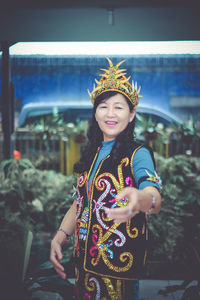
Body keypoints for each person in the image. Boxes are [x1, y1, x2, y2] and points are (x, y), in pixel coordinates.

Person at [50, 57, 162, 300]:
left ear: (132, 114)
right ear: (95, 113)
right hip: (82, 264)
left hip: (117, 268)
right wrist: (60, 237)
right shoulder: (91, 154)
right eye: (103, 106)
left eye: (119, 107)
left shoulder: (138, 153)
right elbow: (79, 203)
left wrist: (139, 199)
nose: (110, 113)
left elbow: (153, 196)